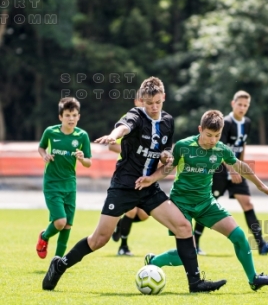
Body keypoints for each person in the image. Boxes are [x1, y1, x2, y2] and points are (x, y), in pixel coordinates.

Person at [42, 76, 226, 293]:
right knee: (100, 239)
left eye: (157, 102)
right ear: (141, 100)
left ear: (163, 97)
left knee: (184, 227)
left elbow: (165, 150)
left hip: (149, 188)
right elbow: (124, 127)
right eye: (149, 103)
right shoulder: (136, 115)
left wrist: (166, 156)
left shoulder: (168, 121)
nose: (154, 107)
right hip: (123, 186)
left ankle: (195, 283)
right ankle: (60, 264)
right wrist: (113, 136)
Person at [136, 110, 268, 292]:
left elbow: (240, 166)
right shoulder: (183, 146)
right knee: (188, 254)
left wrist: (260, 185)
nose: (213, 140)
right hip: (181, 204)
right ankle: (154, 261)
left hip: (206, 203)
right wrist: (150, 179)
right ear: (200, 129)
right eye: (209, 135)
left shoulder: (221, 149)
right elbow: (167, 169)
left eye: (217, 136)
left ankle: (254, 279)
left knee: (239, 236)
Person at [193, 91, 268, 256]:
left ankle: (261, 244)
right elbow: (221, 150)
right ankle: (194, 243)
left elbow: (242, 146)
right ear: (232, 104)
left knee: (248, 204)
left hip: (235, 170)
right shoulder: (225, 123)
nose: (242, 108)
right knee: (206, 206)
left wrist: (240, 166)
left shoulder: (247, 122)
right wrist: (232, 169)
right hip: (220, 170)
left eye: (245, 105)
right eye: (239, 104)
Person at [36, 97, 92, 259]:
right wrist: (45, 155)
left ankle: (57, 262)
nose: (71, 118)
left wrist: (82, 159)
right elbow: (41, 147)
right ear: (60, 117)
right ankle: (44, 236)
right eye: (67, 115)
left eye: (74, 115)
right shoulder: (50, 132)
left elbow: (89, 163)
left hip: (70, 185)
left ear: (79, 117)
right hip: (52, 184)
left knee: (67, 225)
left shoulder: (82, 136)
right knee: (60, 222)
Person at [109, 92, 149, 256]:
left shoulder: (154, 122)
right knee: (131, 211)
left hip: (145, 173)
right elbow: (112, 146)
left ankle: (120, 224)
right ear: (136, 101)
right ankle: (123, 247)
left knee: (144, 215)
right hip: (127, 172)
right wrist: (132, 151)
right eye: (142, 100)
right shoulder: (128, 118)